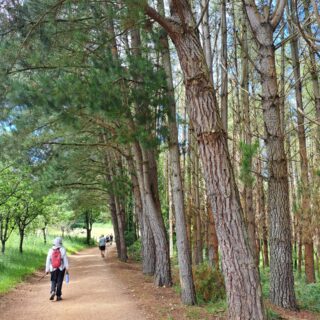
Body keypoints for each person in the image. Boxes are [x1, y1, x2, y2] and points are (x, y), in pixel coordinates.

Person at [45, 237, 69, 301]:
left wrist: (47, 269)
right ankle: (58, 296)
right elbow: (65, 260)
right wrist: (67, 268)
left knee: (53, 280)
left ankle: (53, 291)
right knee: (59, 281)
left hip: (53, 268)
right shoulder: (62, 249)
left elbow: (48, 260)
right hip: (61, 268)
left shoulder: (50, 250)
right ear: (61, 243)